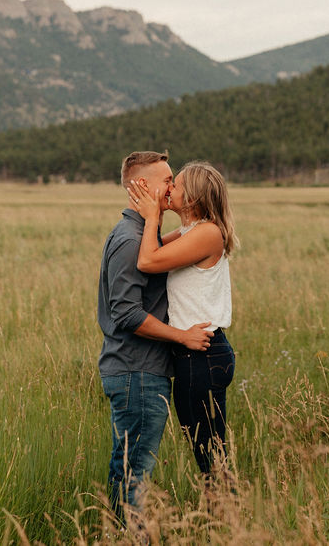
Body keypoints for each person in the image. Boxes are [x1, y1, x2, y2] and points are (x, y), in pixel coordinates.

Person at [97, 151, 214, 521]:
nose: (172, 188)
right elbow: (128, 314)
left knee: (130, 467)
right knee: (134, 472)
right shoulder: (131, 241)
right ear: (141, 185)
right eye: (167, 180)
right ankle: (127, 535)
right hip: (137, 372)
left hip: (139, 370)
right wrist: (182, 337)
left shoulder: (142, 234)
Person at [127, 161, 238, 480]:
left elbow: (148, 260)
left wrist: (150, 217)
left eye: (177, 184)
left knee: (211, 457)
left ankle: (226, 522)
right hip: (195, 354)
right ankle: (224, 521)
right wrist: (152, 213)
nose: (170, 187)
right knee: (207, 452)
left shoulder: (208, 233)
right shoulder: (191, 231)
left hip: (203, 353)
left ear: (193, 197)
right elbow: (155, 248)